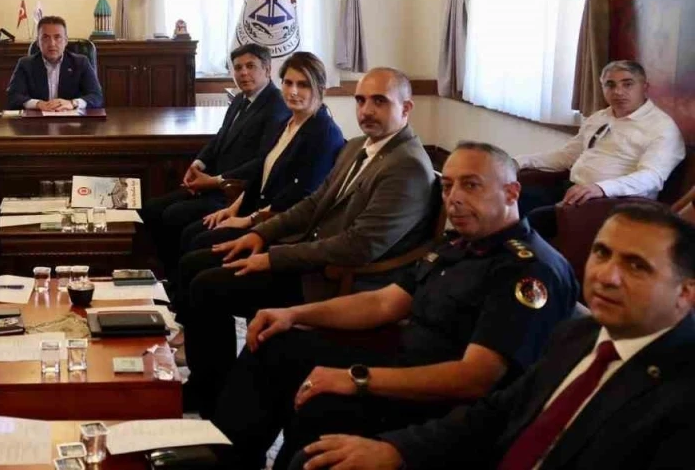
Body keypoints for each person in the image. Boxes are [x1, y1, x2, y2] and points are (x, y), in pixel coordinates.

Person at [213, 142, 578, 470]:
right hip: (401, 361)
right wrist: (293, 313)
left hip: (444, 404)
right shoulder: (458, 245)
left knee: (321, 406)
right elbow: (384, 302)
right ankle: (225, 459)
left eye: (471, 185)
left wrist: (356, 379)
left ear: (512, 192)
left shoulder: (528, 270)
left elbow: (475, 378)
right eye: (448, 186)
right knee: (273, 341)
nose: (454, 199)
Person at [294, 202, 695, 470]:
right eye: (602, 253)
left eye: (636, 266)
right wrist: (397, 450)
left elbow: (477, 379)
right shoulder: (580, 334)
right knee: (319, 458)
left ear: (686, 292)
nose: (607, 276)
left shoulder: (681, 393)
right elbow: (496, 413)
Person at [177, 67, 437, 414]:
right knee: (198, 262)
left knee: (208, 286)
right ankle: (211, 383)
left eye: (379, 101)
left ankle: (210, 392)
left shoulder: (407, 166)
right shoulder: (357, 147)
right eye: (361, 100)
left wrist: (274, 257)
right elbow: (314, 203)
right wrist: (260, 233)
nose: (366, 110)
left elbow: (359, 246)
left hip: (335, 281)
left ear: (406, 108)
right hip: (311, 259)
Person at [142, 43, 290, 280]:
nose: (243, 73)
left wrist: (214, 181)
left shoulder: (277, 106)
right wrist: (198, 164)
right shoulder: (240, 99)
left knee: (173, 215)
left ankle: (175, 279)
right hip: (211, 183)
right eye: (238, 68)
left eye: (250, 66)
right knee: (151, 208)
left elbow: (263, 162)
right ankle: (163, 276)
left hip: (234, 192)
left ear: (267, 69)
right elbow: (220, 137)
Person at [181, 51, 346, 258]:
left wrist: (248, 220)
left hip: (278, 228)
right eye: (288, 83)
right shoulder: (286, 123)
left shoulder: (324, 133)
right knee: (191, 234)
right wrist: (232, 209)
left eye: (303, 85)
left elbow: (300, 196)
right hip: (255, 211)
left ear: (320, 89)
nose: (293, 91)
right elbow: (260, 174)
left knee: (196, 250)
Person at [518, 61, 685, 229]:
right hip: (573, 190)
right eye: (610, 85)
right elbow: (567, 155)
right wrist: (519, 162)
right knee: (511, 199)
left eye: (627, 84)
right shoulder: (600, 117)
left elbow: (651, 178)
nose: (618, 92)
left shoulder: (661, 127)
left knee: (534, 219)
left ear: (644, 87)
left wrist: (601, 188)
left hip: (614, 204)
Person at [4, 16, 104, 111]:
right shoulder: (25, 64)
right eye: (46, 37)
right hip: (37, 120)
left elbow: (97, 96)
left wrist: (72, 103)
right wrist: (38, 104)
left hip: (72, 120)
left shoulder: (81, 63)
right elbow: (12, 97)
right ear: (38, 42)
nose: (52, 43)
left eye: (57, 37)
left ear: (66, 41)